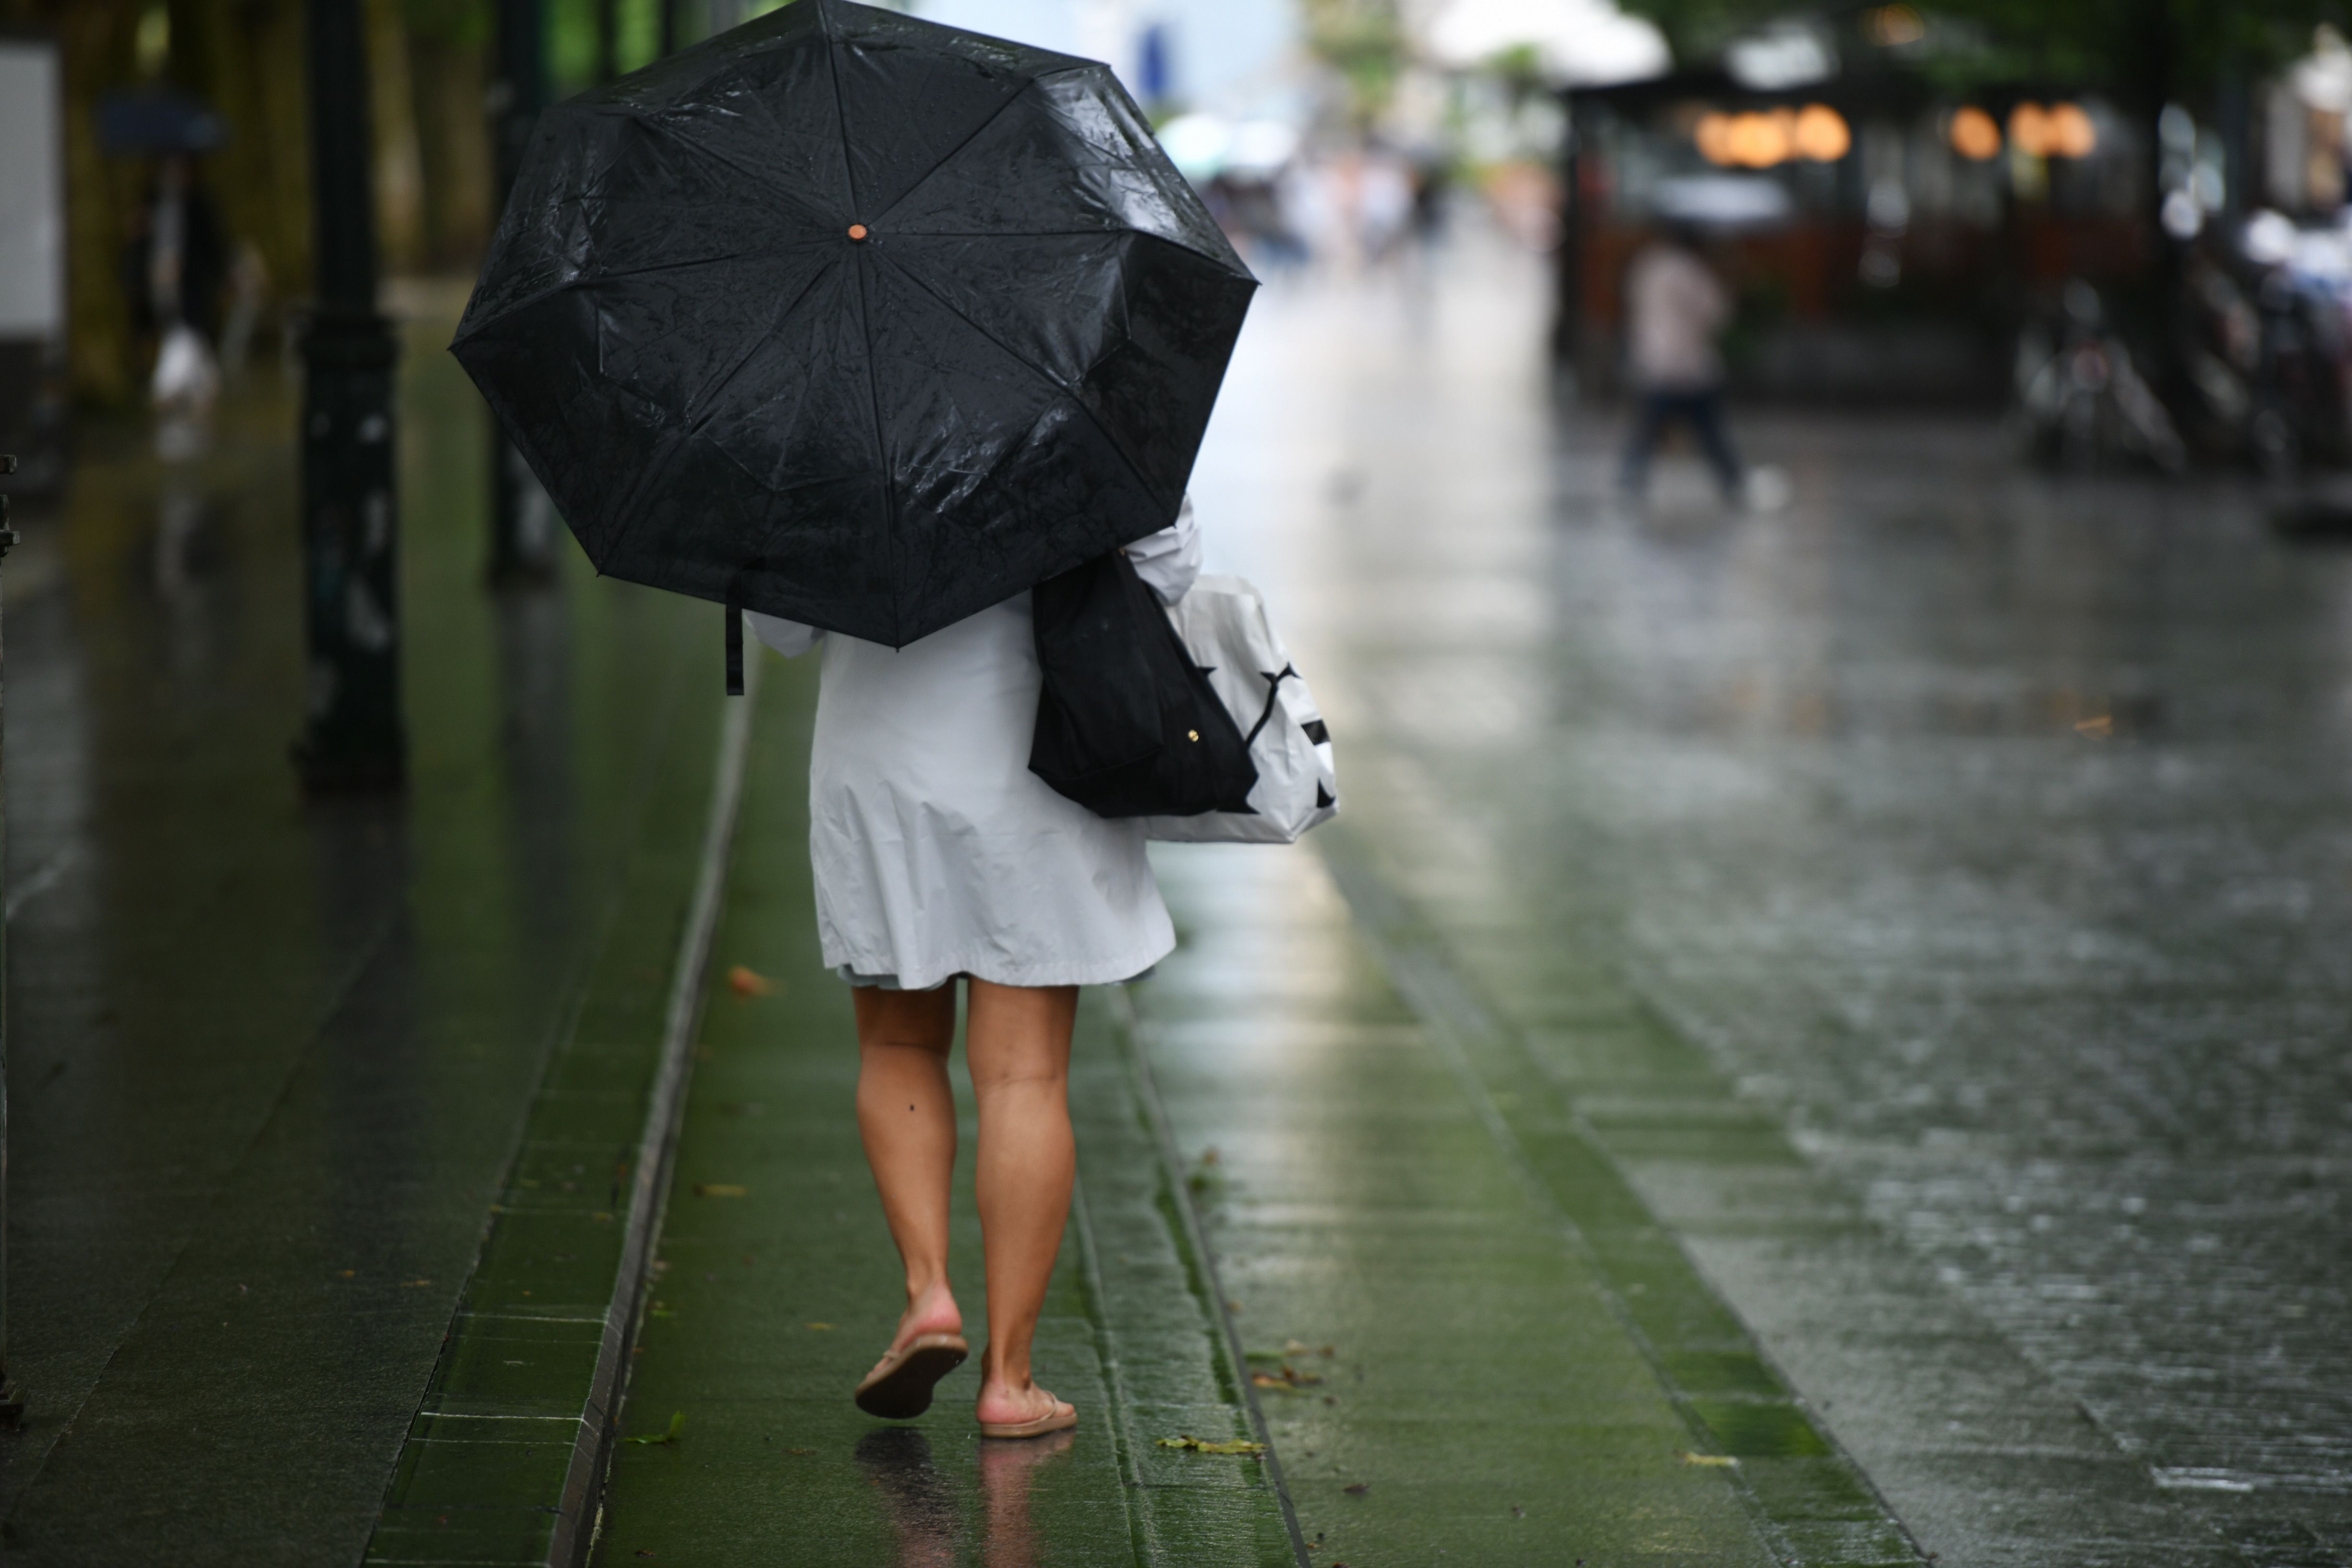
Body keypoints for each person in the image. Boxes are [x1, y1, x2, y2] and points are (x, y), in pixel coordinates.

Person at [747, 503, 1202, 1441]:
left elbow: (778, 621)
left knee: (899, 1042)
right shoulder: (1079, 371)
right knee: (1024, 1074)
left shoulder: (830, 394)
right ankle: (1010, 1380)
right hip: (1037, 746)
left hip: (880, 758)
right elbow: (1165, 563)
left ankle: (928, 1295)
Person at [1619, 221, 1746, 504]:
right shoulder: (1691, 271)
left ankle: (1630, 478)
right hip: (1689, 365)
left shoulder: (1647, 265)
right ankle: (1733, 481)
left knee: (1648, 428)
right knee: (1711, 431)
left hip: (1654, 361)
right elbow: (1716, 314)